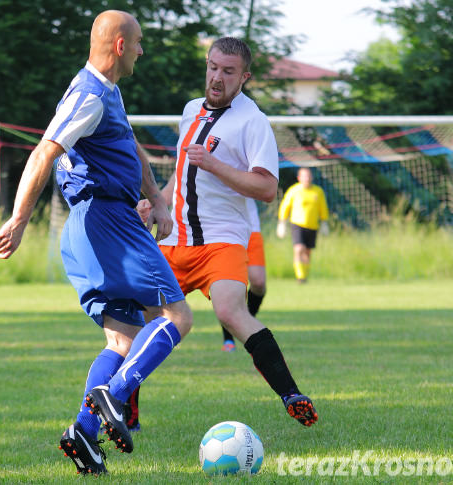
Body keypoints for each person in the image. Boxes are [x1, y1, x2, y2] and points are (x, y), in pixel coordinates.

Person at [0, 10, 194, 476]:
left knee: (121, 340)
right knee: (177, 316)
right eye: (139, 42)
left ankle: (83, 433)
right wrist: (20, 218)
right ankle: (113, 397)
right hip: (106, 222)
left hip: (91, 226)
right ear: (121, 46)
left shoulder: (107, 92)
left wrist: (157, 203)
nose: (143, 50)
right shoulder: (89, 95)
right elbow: (45, 151)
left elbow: (131, 148)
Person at [138, 36, 318, 429]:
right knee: (141, 319)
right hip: (174, 239)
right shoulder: (190, 111)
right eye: (212, 67)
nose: (217, 78)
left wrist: (216, 165)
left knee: (230, 311)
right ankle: (125, 408)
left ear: (245, 77)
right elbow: (182, 173)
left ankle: (292, 394)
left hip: (221, 240)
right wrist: (156, 204)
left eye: (228, 71)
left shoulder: (253, 121)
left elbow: (268, 189)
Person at [220, 198, 267, 352]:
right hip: (224, 229)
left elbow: (266, 190)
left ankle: (241, 325)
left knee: (258, 282)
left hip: (251, 227)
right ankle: (229, 337)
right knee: (231, 286)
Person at [276, 167, 329, 283]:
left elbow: (322, 207)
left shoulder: (317, 191)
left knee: (307, 252)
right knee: (299, 248)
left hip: (312, 225)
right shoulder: (294, 190)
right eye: (304, 176)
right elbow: (286, 206)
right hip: (297, 224)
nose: (307, 178)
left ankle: (304, 276)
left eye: (309, 176)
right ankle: (299, 276)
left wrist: (324, 222)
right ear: (299, 178)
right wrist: (282, 223)